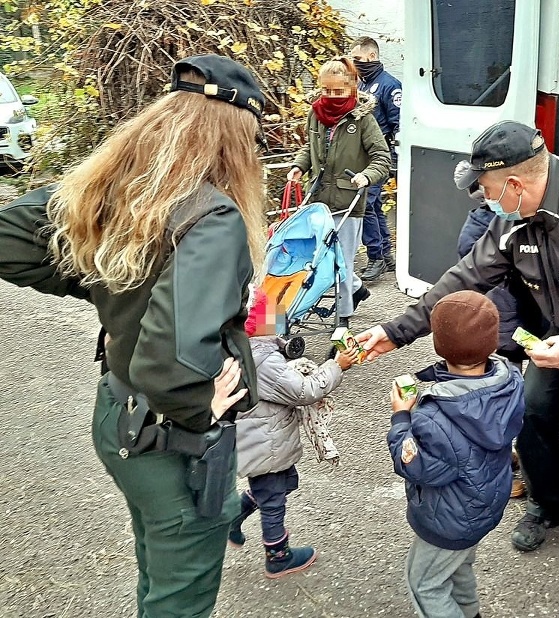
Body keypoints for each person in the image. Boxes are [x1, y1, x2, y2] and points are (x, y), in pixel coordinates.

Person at [0, 55, 266, 617]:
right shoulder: (212, 217)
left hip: (117, 415)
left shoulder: (120, 192)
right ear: (236, 141)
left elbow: (9, 238)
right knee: (179, 599)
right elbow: (173, 360)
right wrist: (202, 404)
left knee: (157, 570)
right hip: (175, 443)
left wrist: (107, 280)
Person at [360, 120, 559, 553]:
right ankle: (549, 505)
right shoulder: (514, 222)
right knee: (528, 411)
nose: (484, 200)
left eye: (486, 189)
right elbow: (463, 279)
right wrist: (395, 332)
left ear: (513, 184)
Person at [387, 290, 525, 618]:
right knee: (458, 569)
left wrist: (401, 417)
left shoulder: (435, 416)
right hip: (483, 506)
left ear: (440, 344)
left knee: (425, 584)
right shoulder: (509, 379)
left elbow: (415, 466)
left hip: (448, 519)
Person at [228, 291, 356, 578]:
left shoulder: (248, 348)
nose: (278, 316)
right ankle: (278, 556)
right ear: (259, 324)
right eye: (272, 314)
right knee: (273, 499)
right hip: (266, 444)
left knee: (283, 483)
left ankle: (232, 515)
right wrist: (337, 366)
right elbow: (304, 391)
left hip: (264, 440)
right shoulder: (263, 361)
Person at [287, 56, 391, 328]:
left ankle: (342, 318)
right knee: (314, 258)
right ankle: (356, 289)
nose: (331, 96)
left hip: (349, 201)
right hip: (318, 199)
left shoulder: (363, 118)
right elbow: (309, 148)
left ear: (351, 88)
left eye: (338, 91)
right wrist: (300, 166)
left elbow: (382, 157)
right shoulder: (316, 114)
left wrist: (366, 176)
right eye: (326, 90)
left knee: (341, 263)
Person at [454, 159, 536, 499]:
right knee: (506, 399)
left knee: (516, 396)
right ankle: (504, 470)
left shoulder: (494, 219)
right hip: (505, 324)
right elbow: (474, 267)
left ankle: (511, 458)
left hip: (518, 321)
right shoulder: (487, 227)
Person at [350, 36, 402, 281]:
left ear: (372, 56)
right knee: (374, 204)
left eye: (358, 59)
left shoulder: (390, 85)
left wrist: (394, 159)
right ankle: (385, 254)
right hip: (363, 155)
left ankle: (376, 257)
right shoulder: (362, 86)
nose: (355, 63)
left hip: (380, 156)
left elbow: (397, 124)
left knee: (366, 203)